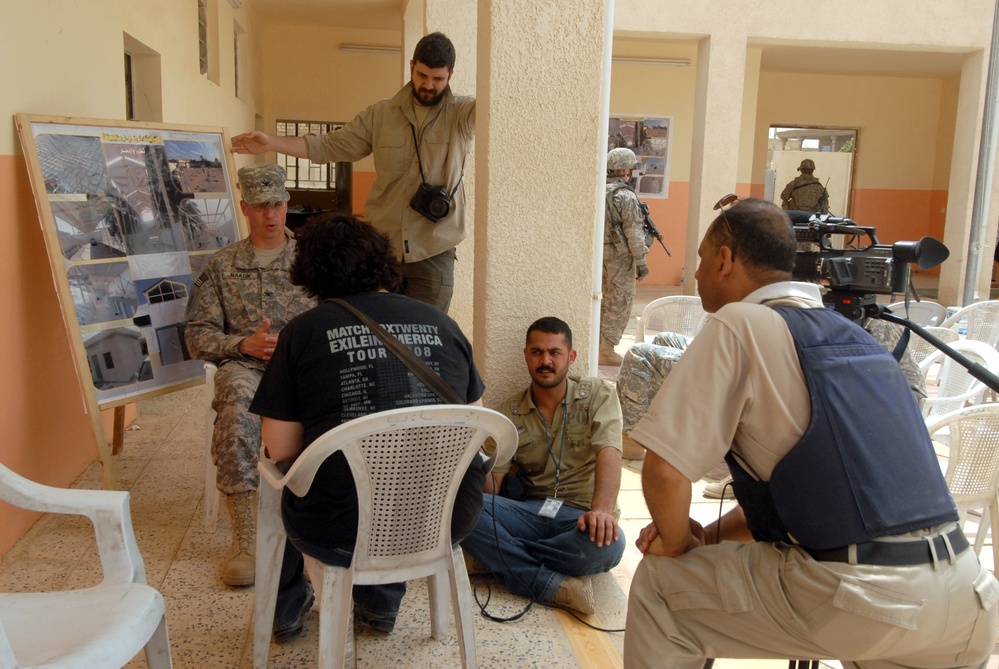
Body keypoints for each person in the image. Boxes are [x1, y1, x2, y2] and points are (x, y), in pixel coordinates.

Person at [623, 198, 999, 669]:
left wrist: (678, 549)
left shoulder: (740, 322)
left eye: (700, 260)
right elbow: (817, 491)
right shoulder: (860, 339)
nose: (696, 274)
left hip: (871, 599)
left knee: (662, 586)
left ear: (724, 260)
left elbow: (663, 471)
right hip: (968, 597)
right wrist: (711, 538)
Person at [248, 215, 487, 643]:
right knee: (401, 465)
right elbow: (475, 426)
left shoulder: (302, 333)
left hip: (341, 531)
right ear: (384, 262)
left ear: (310, 273)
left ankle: (284, 613)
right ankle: (379, 606)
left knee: (283, 478)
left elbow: (281, 448)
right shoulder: (443, 324)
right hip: (446, 519)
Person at [230, 32, 473, 314]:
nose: (428, 85)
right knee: (377, 337)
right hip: (383, 253)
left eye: (438, 79)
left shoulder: (462, 114)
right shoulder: (381, 114)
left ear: (450, 75)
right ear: (411, 66)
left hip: (434, 252)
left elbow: (498, 108)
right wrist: (272, 142)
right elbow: (332, 145)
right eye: (422, 75)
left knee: (425, 342)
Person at [184, 163, 316, 587]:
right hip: (248, 367)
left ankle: (325, 517)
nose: (270, 215)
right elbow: (196, 334)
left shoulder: (314, 260)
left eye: (276, 204)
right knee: (236, 398)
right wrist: (241, 345)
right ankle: (246, 537)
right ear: (244, 207)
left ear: (287, 203)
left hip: (305, 368)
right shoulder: (222, 266)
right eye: (260, 206)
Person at [460, 317, 626, 614]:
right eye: (536, 352)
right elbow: (493, 493)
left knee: (608, 546)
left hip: (581, 517)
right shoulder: (508, 413)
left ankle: (497, 558)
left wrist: (601, 510)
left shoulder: (598, 395)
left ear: (571, 357)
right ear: (526, 355)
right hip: (531, 512)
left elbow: (610, 452)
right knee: (462, 507)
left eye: (554, 352)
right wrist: (475, 448)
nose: (545, 360)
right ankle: (549, 583)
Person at [601, 148, 650, 366]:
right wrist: (641, 262)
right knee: (620, 303)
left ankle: (596, 344)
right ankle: (607, 349)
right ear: (623, 169)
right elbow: (634, 234)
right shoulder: (626, 196)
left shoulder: (598, 191)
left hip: (599, 258)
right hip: (621, 259)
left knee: (601, 301)